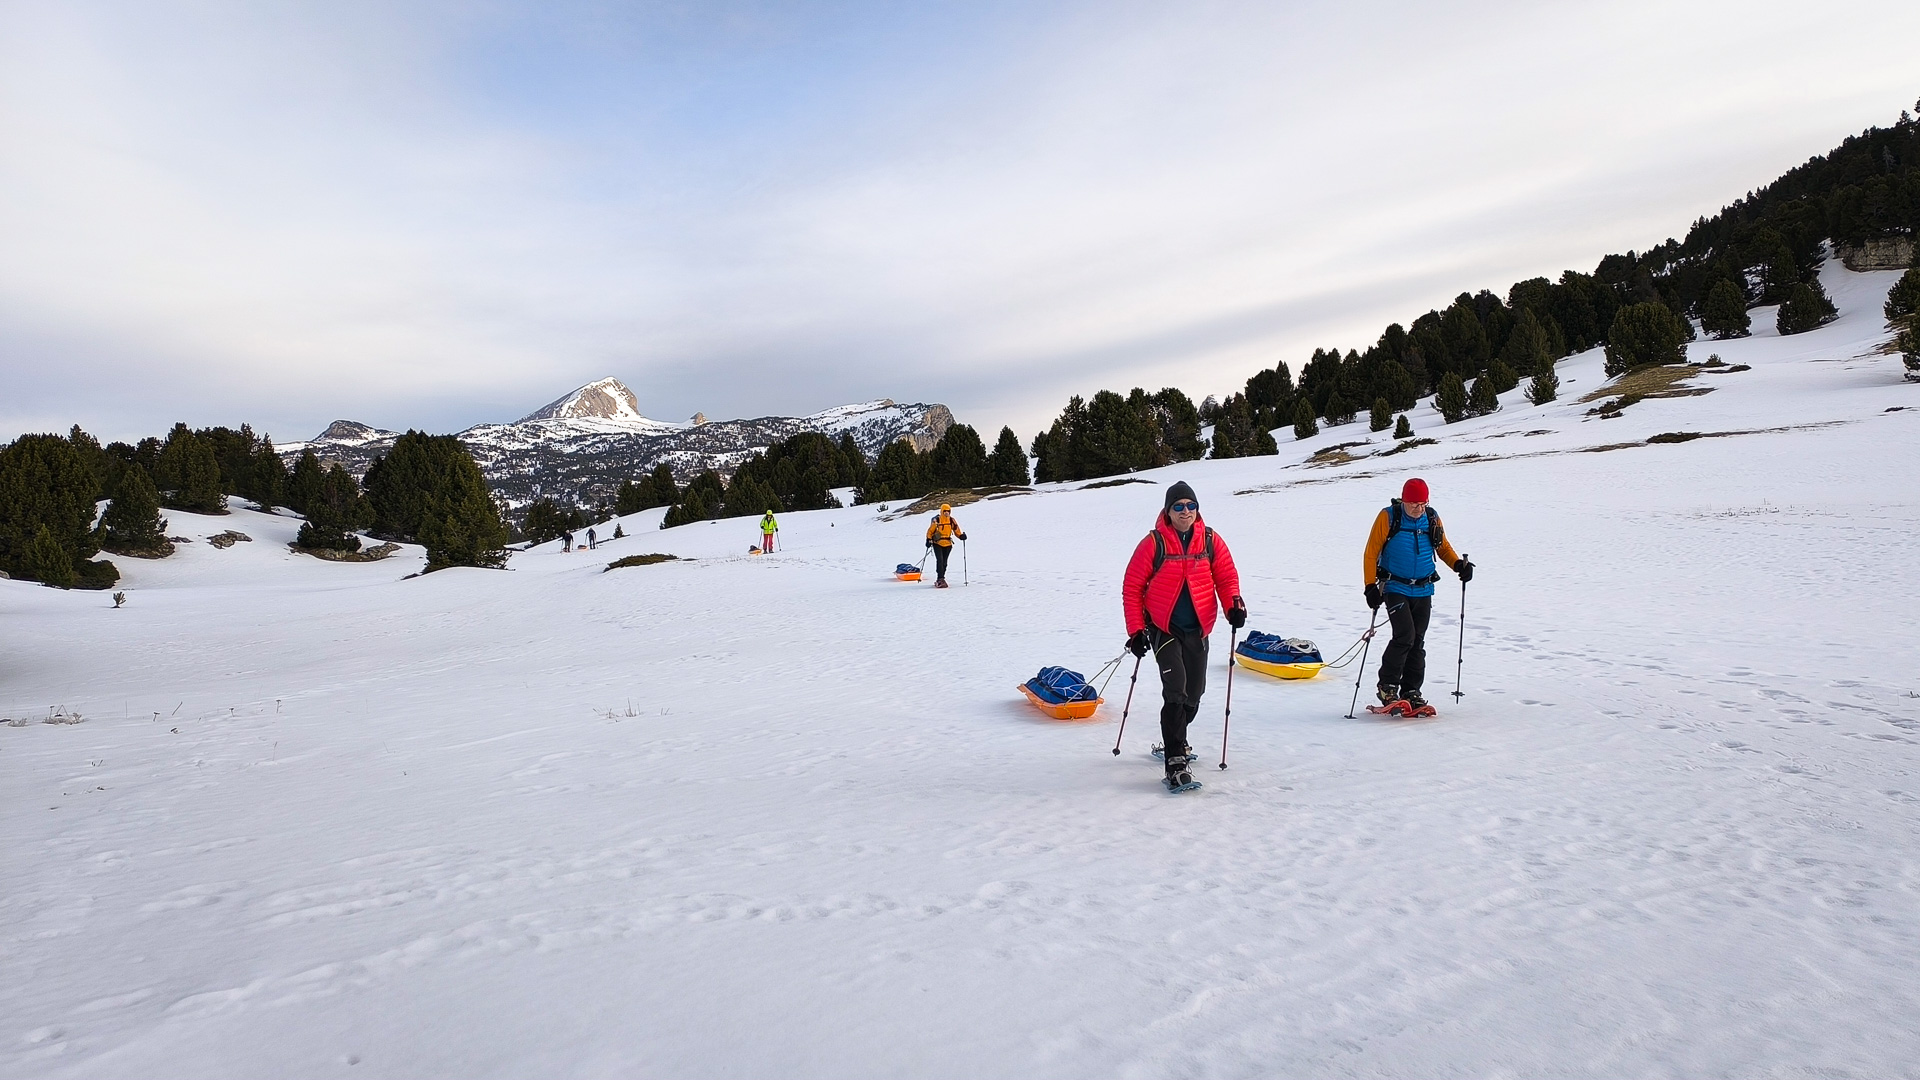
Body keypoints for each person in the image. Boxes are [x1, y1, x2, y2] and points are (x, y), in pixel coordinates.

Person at [1122, 481, 1245, 789]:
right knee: (1175, 690)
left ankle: (1174, 736)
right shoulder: (1153, 543)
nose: (1185, 511)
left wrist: (1234, 606)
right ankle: (1175, 759)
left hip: (1199, 627)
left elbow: (1226, 577)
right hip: (1164, 628)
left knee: (1194, 694)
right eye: (1178, 506)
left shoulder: (1210, 539)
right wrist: (1137, 631)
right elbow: (1132, 588)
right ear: (1168, 510)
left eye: (1191, 506)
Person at [1362, 478, 1473, 713]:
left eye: (1423, 503)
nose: (1419, 508)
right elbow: (1371, 552)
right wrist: (1370, 586)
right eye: (1414, 503)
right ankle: (1387, 687)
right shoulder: (1389, 517)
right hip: (1395, 587)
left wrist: (1458, 566)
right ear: (1404, 500)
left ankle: (1411, 690)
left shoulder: (1431, 517)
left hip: (1424, 588)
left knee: (1418, 640)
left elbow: (1442, 547)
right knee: (1405, 635)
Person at [924, 504, 966, 588]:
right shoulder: (937, 520)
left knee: (944, 562)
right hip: (937, 543)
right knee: (940, 560)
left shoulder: (951, 520)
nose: (947, 513)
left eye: (948, 511)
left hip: (948, 544)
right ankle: (940, 578)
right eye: (945, 511)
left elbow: (956, 530)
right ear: (942, 511)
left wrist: (961, 536)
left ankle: (941, 578)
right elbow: (930, 531)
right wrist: (928, 540)